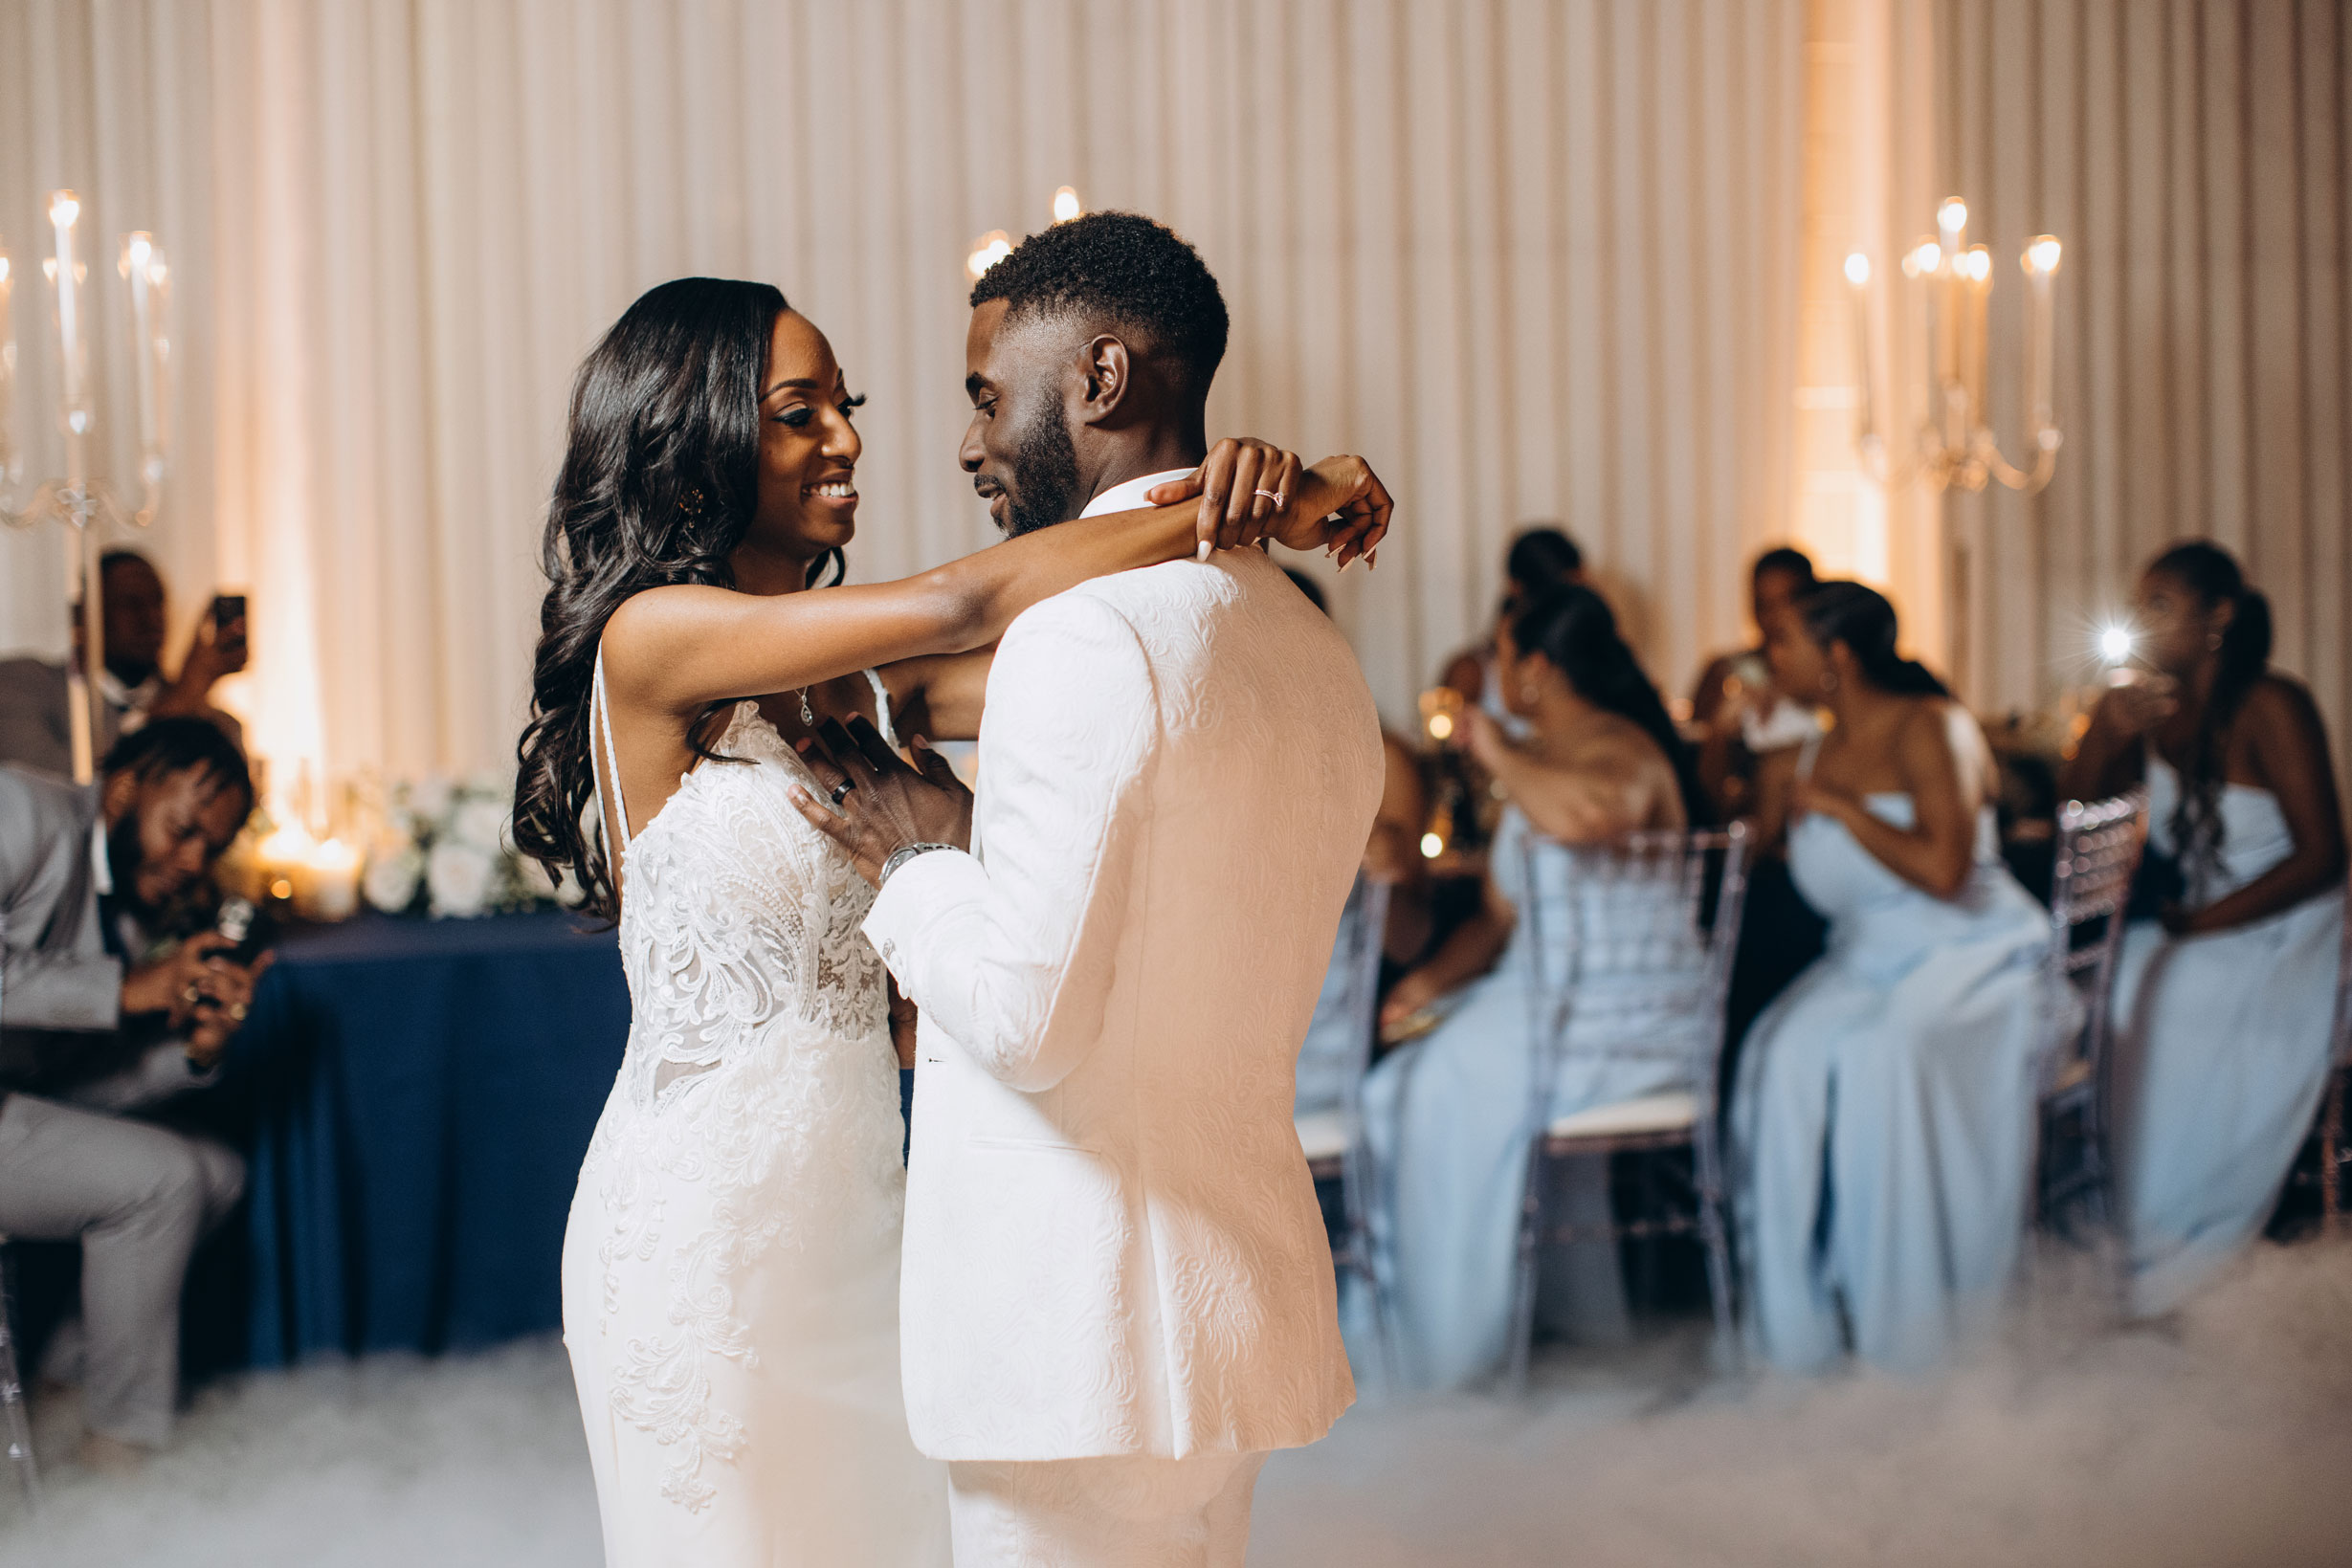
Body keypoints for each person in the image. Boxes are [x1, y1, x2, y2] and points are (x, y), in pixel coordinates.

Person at [515, 260, 1388, 1565]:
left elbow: (1122, 677)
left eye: (841, 403)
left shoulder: (866, 687)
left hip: (872, 1225)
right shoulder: (652, 640)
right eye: (798, 409)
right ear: (693, 434)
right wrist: (1238, 499)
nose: (848, 436)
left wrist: (1244, 521)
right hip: (703, 1235)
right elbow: (975, 598)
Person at [792, 211, 1389, 1567]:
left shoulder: (1077, 637)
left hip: (1071, 1333)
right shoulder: (1308, 644)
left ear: (1101, 381)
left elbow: (1026, 1019)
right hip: (1225, 1312)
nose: (966, 444)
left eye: (987, 396)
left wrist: (917, 858)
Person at [1355, 584, 1700, 1389]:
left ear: (1537, 670)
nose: (1495, 671)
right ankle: (1417, 1329)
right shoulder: (1538, 764)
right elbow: (1497, 918)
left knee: (1439, 1085)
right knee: (1390, 1086)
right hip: (1545, 1002)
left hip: (1626, 1015)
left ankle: (1456, 1355)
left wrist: (1497, 751)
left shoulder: (1625, 748)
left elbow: (1588, 818)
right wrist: (1425, 985)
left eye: (1503, 656)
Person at [1729, 582, 2061, 1375]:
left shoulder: (1931, 725)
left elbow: (1946, 870)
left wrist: (1843, 807)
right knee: (1778, 1059)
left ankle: (1911, 1334)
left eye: (1785, 642)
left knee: (1884, 1059)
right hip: (1865, 957)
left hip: (1968, 949)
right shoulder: (1807, 745)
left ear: (1835, 656)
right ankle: (1796, 1333)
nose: (1770, 656)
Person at [2061, 541, 2347, 1316]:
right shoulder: (2152, 712)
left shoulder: (2272, 705)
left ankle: (2186, 1236)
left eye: (2161, 605)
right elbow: (2080, 817)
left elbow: (2324, 856)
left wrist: (2203, 923)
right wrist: (2103, 732)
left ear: (2218, 616)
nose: (2144, 622)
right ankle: (2125, 1216)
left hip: (2290, 922)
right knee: (2114, 983)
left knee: (2172, 988)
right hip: (2204, 922)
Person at [0, 718, 267, 1470]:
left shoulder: (127, 898)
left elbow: (66, 1084)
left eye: (210, 847)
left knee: (218, 1174)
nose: (193, 861)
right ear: (123, 789)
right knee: (163, 1179)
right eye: (183, 830)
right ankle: (122, 1452)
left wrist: (193, 1047)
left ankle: (62, 1390)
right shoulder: (20, 812)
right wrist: (124, 987)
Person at [0, 550, 248, 781]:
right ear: (82, 616)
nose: (150, 619)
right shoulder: (22, 686)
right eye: (131, 604)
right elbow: (61, 792)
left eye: (157, 603)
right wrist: (181, 698)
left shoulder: (219, 724)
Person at [1691, 546, 1820, 820]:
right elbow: (1698, 768)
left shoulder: (1827, 677)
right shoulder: (1725, 672)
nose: (1773, 618)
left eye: (1786, 602)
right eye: (1763, 605)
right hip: (1744, 817)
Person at [1438, 525, 1586, 728]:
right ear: (1516, 588)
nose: (1572, 611)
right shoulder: (1471, 672)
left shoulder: (1586, 670)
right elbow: (1447, 747)